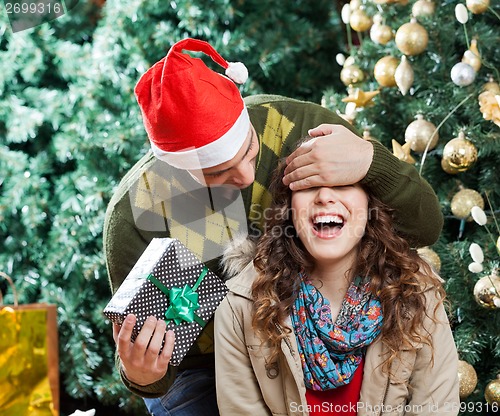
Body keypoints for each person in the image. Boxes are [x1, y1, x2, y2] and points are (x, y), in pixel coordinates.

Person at [104, 38, 444, 416]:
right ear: (178, 169)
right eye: (219, 174)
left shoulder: (302, 128)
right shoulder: (138, 212)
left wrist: (370, 161)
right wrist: (142, 374)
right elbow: (154, 366)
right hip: (203, 366)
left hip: (318, 330)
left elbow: (424, 228)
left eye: (249, 152)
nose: (247, 175)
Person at [214, 143, 460, 415]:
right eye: (307, 186)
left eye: (343, 184)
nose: (324, 197)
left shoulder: (417, 293)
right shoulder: (241, 307)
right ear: (289, 210)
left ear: (369, 204)